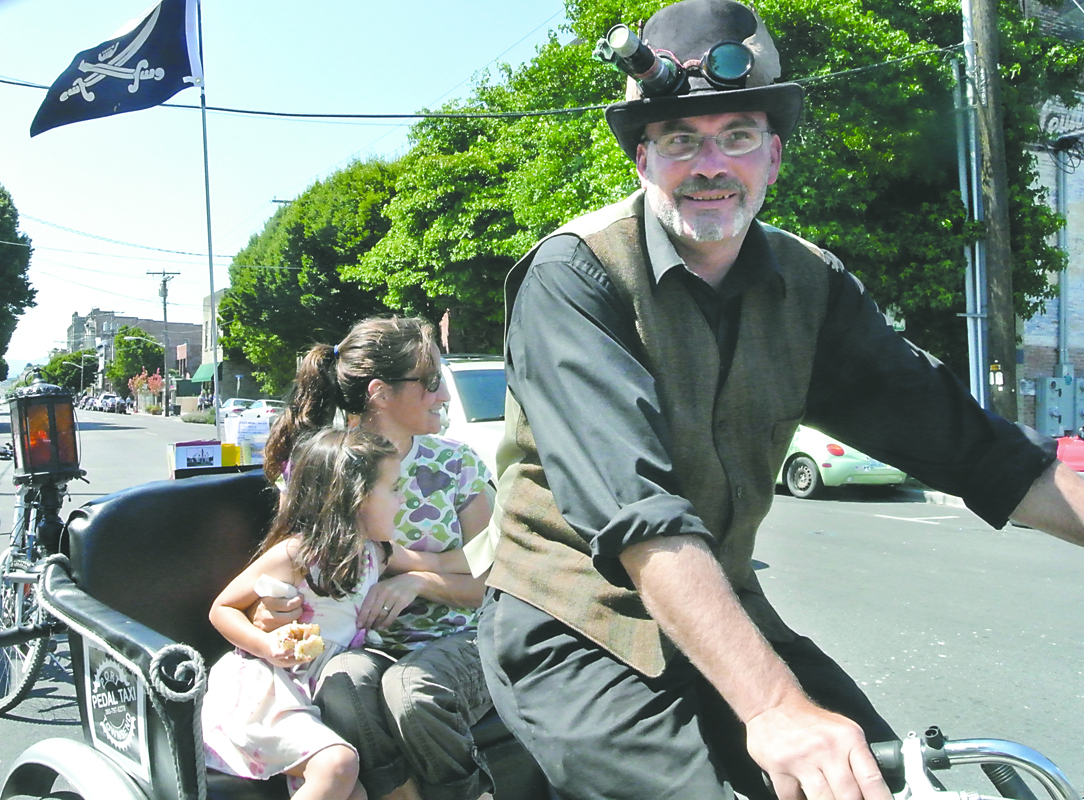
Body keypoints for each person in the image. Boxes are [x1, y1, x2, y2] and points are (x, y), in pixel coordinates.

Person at [476, 2, 1084, 799]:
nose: (709, 164)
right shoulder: (575, 275)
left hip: (722, 606)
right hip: (574, 621)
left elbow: (975, 450)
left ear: (774, 158)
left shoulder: (811, 285)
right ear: (642, 163)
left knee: (884, 784)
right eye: (679, 140)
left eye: (737, 137)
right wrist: (774, 708)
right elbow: (635, 514)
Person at [254, 316, 494, 800]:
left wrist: (417, 583)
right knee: (345, 683)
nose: (443, 397)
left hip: (460, 639)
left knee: (412, 692)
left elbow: (493, 586)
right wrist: (271, 609)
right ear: (381, 393)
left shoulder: (458, 464)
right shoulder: (319, 464)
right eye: (430, 384)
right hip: (353, 645)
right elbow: (292, 567)